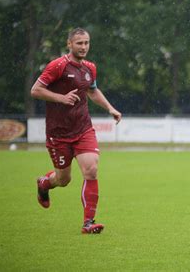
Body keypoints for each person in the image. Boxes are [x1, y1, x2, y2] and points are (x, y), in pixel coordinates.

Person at [31, 28, 122, 233]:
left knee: (91, 170)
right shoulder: (58, 66)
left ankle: (88, 223)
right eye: (79, 43)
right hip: (58, 133)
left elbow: (93, 90)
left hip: (83, 129)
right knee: (63, 180)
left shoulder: (90, 68)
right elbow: (35, 90)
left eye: (86, 43)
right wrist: (61, 98)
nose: (83, 47)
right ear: (69, 44)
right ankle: (45, 183)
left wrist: (110, 108)